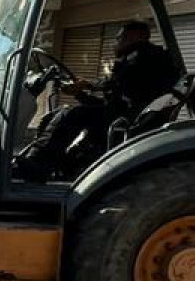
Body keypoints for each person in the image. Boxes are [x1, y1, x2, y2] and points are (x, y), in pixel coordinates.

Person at [21, 20, 181, 180]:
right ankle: (51, 162)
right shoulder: (137, 60)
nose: (115, 42)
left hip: (127, 120)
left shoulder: (146, 56)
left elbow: (119, 81)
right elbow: (111, 99)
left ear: (135, 36)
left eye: (120, 37)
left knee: (71, 114)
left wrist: (87, 84)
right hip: (122, 114)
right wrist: (79, 92)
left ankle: (37, 163)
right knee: (60, 113)